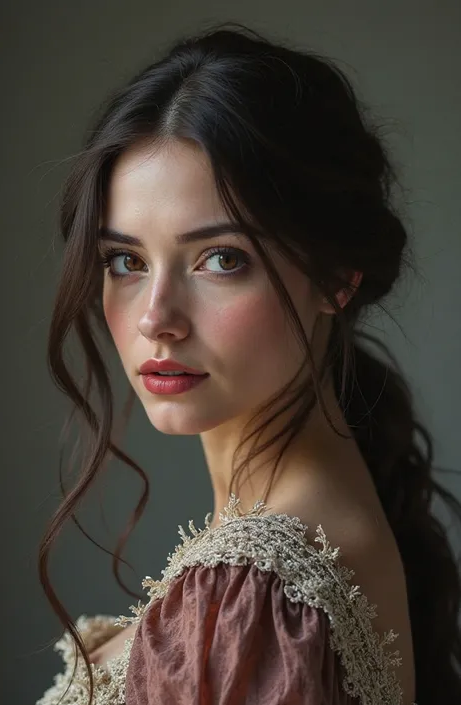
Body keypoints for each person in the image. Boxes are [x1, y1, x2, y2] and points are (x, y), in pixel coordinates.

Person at [35, 21, 461, 705]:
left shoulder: (252, 588)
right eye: (127, 261)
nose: (154, 317)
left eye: (221, 259)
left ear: (335, 276)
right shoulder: (310, 539)